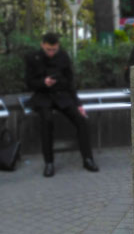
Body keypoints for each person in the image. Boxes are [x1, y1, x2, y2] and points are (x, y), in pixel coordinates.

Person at [25, 33, 98, 177]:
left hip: (62, 96)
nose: (51, 53)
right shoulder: (33, 57)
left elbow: (70, 82)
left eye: (54, 50)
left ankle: (88, 159)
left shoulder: (63, 56)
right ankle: (49, 163)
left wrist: (78, 104)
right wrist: (43, 83)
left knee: (81, 120)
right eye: (48, 50)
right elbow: (28, 82)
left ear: (58, 46)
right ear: (42, 45)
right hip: (43, 96)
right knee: (47, 121)